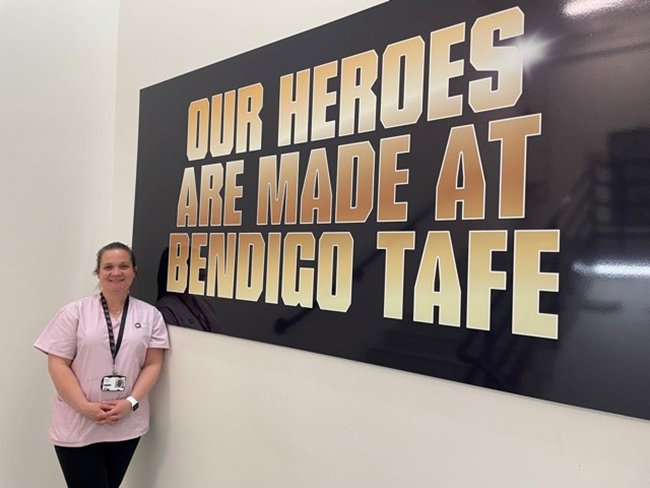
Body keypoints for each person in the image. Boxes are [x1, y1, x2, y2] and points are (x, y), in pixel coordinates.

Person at [34, 242, 170, 488]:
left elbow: (153, 364)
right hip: (79, 421)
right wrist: (85, 407)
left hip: (125, 421)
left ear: (134, 271)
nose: (116, 272)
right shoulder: (74, 312)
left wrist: (130, 403)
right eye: (108, 266)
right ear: (98, 272)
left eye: (123, 266)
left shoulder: (150, 315)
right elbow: (57, 364)